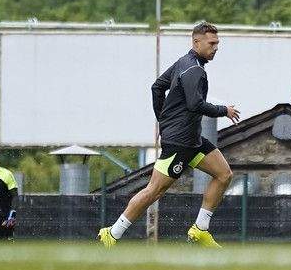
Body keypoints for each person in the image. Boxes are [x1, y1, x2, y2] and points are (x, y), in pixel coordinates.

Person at [101, 23, 241, 247]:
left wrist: (163, 120)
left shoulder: (184, 63)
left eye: (217, 44)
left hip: (192, 140)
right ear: (196, 42)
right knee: (154, 191)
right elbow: (195, 104)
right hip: (179, 143)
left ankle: (200, 229)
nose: (216, 48)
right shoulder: (193, 69)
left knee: (224, 174)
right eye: (212, 43)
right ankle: (113, 233)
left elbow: (157, 87)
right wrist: (224, 110)